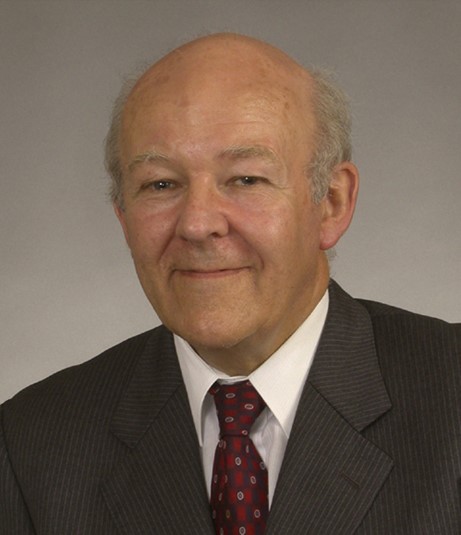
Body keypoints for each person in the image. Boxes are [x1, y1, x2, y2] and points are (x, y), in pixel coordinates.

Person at [0, 33, 459, 535]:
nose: (197, 224)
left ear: (331, 202)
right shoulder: (31, 445)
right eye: (160, 184)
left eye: (246, 179)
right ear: (124, 217)